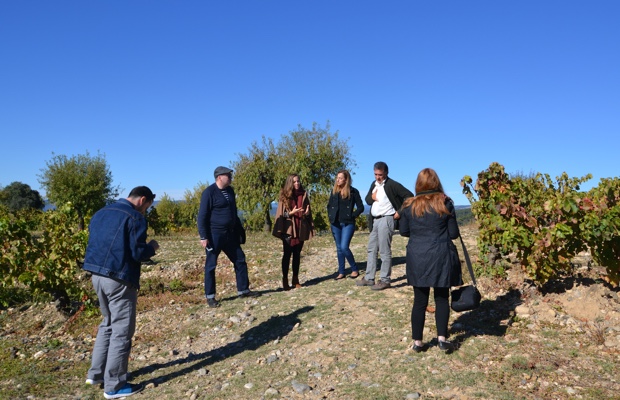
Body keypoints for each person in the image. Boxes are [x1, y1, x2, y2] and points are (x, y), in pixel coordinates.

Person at [82, 186, 159, 399]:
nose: (145, 211)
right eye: (147, 207)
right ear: (143, 199)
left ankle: (96, 374)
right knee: (122, 331)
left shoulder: (101, 213)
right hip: (119, 278)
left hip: (96, 274)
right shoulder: (135, 218)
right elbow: (137, 252)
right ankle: (114, 385)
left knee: (107, 324)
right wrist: (152, 247)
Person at [399, 168, 462, 352]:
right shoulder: (445, 203)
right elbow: (453, 234)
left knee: (419, 301)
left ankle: (417, 342)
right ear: (436, 182)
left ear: (418, 184)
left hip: (418, 256)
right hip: (441, 255)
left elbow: (403, 231)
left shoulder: (409, 205)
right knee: (442, 298)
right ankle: (442, 339)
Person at [197, 166, 259, 308]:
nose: (231, 178)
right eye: (228, 175)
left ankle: (243, 290)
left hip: (230, 234)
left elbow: (233, 212)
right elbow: (202, 216)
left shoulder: (230, 191)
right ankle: (210, 296)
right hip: (214, 235)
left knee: (240, 259)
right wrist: (203, 236)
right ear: (219, 177)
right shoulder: (209, 192)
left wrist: (239, 230)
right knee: (211, 265)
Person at [356, 161, 413, 290]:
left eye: (380, 174)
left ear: (386, 173)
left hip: (387, 219)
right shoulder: (374, 184)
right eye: (375, 174)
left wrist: (400, 212)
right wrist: (373, 197)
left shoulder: (392, 185)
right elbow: (367, 200)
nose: (378, 177)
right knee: (371, 249)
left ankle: (385, 279)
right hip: (375, 220)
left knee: (384, 250)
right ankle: (369, 278)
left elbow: (409, 196)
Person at [272, 174, 314, 290]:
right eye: (294, 182)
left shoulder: (304, 194)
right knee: (287, 255)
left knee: (297, 254)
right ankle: (285, 279)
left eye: (298, 181)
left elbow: (308, 210)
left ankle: (295, 279)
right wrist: (291, 213)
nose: (297, 184)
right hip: (289, 229)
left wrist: (306, 213)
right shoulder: (284, 196)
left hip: (300, 227)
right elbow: (280, 214)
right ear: (290, 183)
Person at [327, 170, 364, 280]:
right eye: (337, 178)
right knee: (339, 248)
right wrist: (330, 216)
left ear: (346, 179)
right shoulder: (334, 192)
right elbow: (329, 206)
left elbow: (361, 207)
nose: (338, 180)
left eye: (340, 178)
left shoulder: (353, 192)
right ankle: (341, 272)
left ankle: (354, 268)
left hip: (348, 223)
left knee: (344, 247)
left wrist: (353, 215)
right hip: (335, 223)